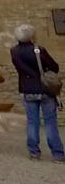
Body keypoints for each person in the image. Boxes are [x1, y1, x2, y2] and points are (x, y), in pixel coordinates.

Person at [18, 24, 65, 160]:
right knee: (50, 122)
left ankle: (34, 152)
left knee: (32, 121)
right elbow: (54, 66)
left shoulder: (14, 51)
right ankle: (57, 153)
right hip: (44, 89)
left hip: (27, 89)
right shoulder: (38, 50)